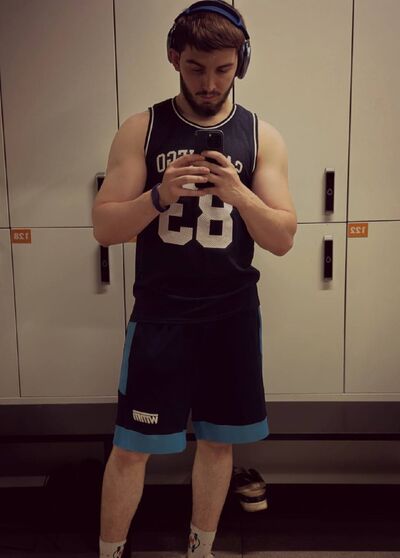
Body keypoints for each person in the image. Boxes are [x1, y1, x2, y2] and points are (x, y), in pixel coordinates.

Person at [92, 1, 297, 557]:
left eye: (223, 70)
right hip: (162, 314)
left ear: (241, 63)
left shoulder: (261, 135)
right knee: (131, 448)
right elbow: (105, 227)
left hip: (232, 314)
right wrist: (158, 196)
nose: (209, 84)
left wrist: (239, 194)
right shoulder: (142, 129)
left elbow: (282, 237)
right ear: (173, 58)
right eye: (195, 68)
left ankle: (200, 552)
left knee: (218, 443)